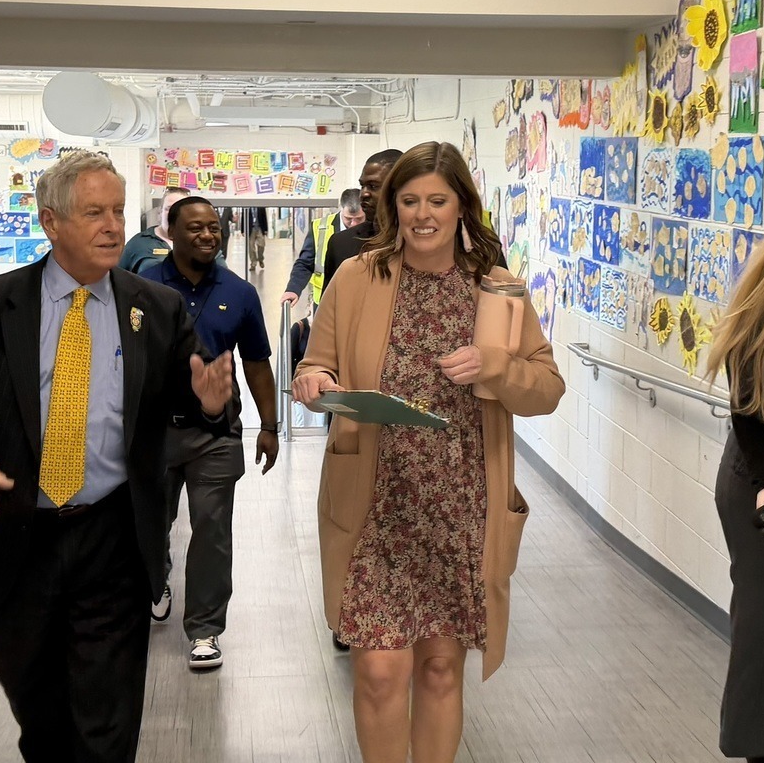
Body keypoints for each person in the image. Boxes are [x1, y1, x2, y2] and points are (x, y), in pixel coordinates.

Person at [0, 152, 234, 763]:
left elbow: (194, 395)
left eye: (119, 212)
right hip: (18, 542)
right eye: (94, 213)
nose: (113, 226)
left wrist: (209, 403)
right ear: (51, 222)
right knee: (44, 725)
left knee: (107, 729)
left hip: (112, 538)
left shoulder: (154, 309)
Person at [292, 141, 564, 763]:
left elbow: (547, 389)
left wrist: (495, 366)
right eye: (409, 200)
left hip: (461, 505)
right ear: (393, 207)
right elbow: (316, 364)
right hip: (377, 504)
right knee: (379, 670)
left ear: (461, 205)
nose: (422, 214)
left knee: (441, 668)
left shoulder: (497, 289)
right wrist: (317, 381)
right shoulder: (357, 277)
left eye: (437, 201)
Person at [141, 196, 279, 669]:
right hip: (155, 432)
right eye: (195, 228)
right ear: (170, 233)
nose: (207, 235)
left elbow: (256, 363)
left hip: (216, 433)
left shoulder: (239, 293)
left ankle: (204, 629)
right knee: (150, 522)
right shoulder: (142, 286)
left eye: (213, 228)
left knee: (212, 530)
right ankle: (156, 577)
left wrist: (269, 425)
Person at [705, 209, 764, 763]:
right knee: (760, 616)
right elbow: (748, 412)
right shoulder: (763, 311)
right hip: (763, 477)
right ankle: (757, 751)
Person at [322, 150, 404, 288]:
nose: (364, 194)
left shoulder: (420, 244)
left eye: (373, 186)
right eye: (362, 186)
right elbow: (332, 299)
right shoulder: (341, 244)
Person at [281, 188, 364, 310]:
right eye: (348, 219)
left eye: (359, 219)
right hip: (325, 301)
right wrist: (293, 289)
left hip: (360, 302)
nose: (354, 224)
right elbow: (305, 263)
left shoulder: (374, 229)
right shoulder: (320, 227)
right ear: (341, 209)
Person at [118, 186, 189, 273]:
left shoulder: (196, 243)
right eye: (169, 208)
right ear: (160, 213)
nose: (174, 213)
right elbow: (116, 276)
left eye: (181, 209)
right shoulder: (138, 243)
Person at [246, 205, 269, 271]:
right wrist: (242, 230)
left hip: (259, 228)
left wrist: (266, 229)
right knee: (251, 247)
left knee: (262, 245)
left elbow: (264, 217)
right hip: (251, 229)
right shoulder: (247, 206)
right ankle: (253, 263)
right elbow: (243, 218)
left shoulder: (260, 205)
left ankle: (260, 259)